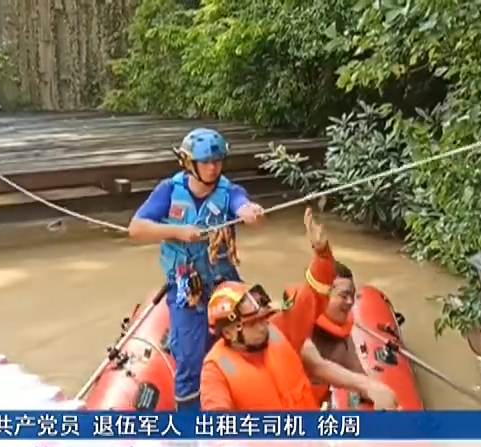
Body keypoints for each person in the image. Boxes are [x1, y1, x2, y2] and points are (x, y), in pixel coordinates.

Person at [128, 128, 264, 411]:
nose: (213, 168)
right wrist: (177, 231)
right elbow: (136, 228)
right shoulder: (169, 190)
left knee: (252, 338)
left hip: (224, 283)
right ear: (190, 163)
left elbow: (241, 205)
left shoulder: (230, 191)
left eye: (218, 161)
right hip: (186, 285)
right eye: (206, 162)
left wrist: (249, 212)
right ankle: (190, 424)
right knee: (190, 359)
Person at [200, 208, 366, 411]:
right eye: (253, 323)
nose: (263, 326)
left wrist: (322, 254)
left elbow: (310, 298)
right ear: (229, 332)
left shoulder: (278, 332)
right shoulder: (215, 370)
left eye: (263, 319)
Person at [296, 261, 399, 410]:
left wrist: (384, 397)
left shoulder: (340, 335)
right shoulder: (295, 327)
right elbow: (318, 366)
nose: (350, 302)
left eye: (352, 295)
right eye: (344, 296)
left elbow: (358, 373)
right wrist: (368, 385)